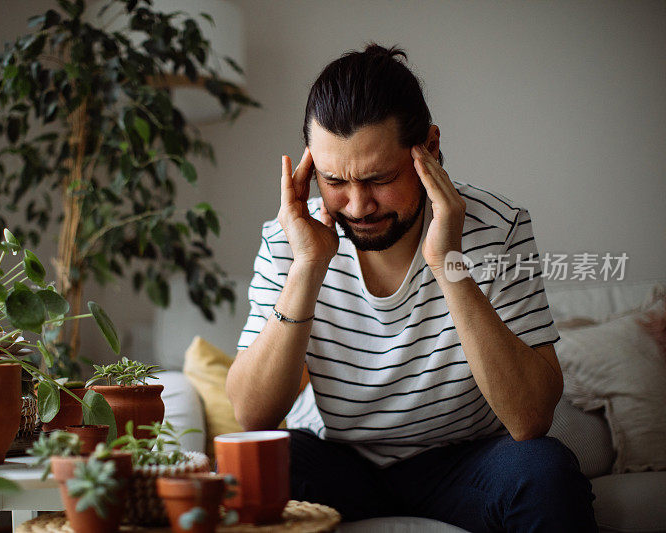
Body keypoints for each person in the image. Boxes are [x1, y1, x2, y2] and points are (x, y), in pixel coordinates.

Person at [226, 44, 598, 532]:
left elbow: (529, 419)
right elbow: (251, 416)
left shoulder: (499, 225)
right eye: (334, 180)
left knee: (545, 471)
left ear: (429, 146)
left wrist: (449, 264)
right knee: (249, 473)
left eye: (380, 179)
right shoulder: (288, 237)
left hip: (463, 463)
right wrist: (307, 267)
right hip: (337, 460)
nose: (358, 206)